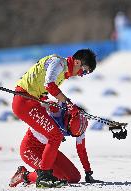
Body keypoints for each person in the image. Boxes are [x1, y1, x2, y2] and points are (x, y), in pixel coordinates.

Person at [9, 49, 102, 188]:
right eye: (84, 71)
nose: (82, 75)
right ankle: (44, 177)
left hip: (32, 101)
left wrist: (46, 99)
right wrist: (68, 103)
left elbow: (44, 88)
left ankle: (31, 175)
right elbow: (49, 85)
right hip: (24, 101)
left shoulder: (63, 74)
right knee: (55, 135)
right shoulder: (58, 62)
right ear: (77, 62)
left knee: (73, 177)